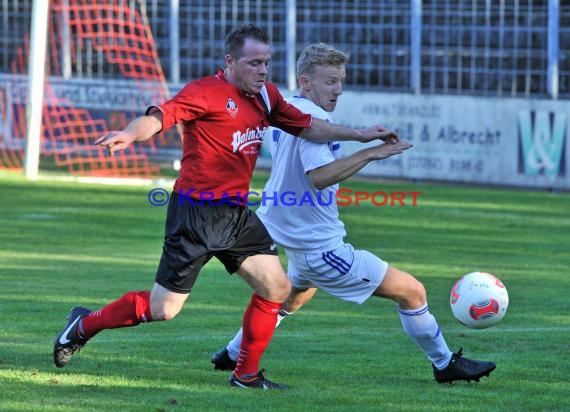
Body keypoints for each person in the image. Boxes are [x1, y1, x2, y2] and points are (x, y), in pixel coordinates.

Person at [52, 25, 400, 390]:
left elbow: (309, 128)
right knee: (164, 310)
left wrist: (361, 135)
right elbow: (158, 118)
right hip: (195, 216)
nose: (263, 71)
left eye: (266, 62)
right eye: (254, 63)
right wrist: (129, 133)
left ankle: (245, 375)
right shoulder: (205, 92)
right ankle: (83, 324)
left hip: (235, 215)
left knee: (277, 287)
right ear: (230, 61)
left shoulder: (266, 96)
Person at [211, 43, 496, 384]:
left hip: (284, 228)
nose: (338, 89)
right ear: (306, 82)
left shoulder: (286, 110)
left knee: (292, 297)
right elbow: (320, 178)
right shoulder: (318, 122)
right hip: (320, 246)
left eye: (341, 81)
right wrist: (371, 155)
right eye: (330, 81)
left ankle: (232, 353)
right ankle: (445, 364)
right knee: (413, 292)